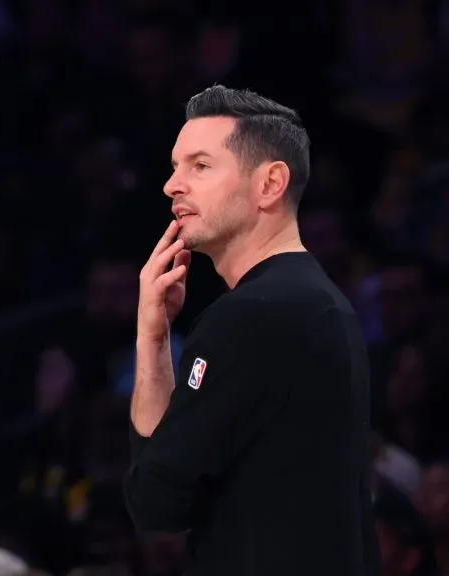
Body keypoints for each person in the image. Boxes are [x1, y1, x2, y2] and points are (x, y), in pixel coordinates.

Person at [123, 85, 380, 576]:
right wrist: (154, 338)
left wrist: (149, 343)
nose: (172, 185)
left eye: (199, 166)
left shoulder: (253, 316)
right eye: (175, 166)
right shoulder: (321, 302)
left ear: (270, 184)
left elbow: (155, 503)